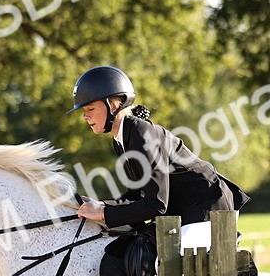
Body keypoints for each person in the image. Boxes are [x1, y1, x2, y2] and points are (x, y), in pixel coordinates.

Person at [68, 65, 248, 250]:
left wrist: (104, 213)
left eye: (90, 108)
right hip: (184, 211)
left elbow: (156, 204)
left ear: (113, 105)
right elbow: (137, 194)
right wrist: (101, 204)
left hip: (209, 208)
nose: (85, 116)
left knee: (166, 265)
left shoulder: (141, 134)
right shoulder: (122, 138)